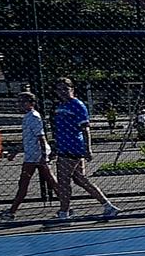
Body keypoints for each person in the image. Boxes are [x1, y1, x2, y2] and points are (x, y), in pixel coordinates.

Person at [51, 78, 120, 222]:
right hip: (63, 146)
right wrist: (55, 147)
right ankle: (108, 206)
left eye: (65, 89)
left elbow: (85, 128)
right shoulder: (60, 106)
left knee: (63, 181)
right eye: (59, 89)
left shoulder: (77, 105)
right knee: (79, 179)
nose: (62, 92)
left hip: (72, 147)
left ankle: (64, 212)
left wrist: (88, 149)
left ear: (72, 89)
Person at [0, 91, 59, 219]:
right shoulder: (27, 117)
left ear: (31, 103)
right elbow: (27, 139)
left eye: (22, 102)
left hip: (35, 155)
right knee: (50, 181)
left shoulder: (34, 117)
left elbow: (41, 137)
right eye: (18, 102)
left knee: (25, 182)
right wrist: (15, 151)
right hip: (32, 154)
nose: (19, 104)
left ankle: (12, 211)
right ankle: (66, 205)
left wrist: (44, 155)